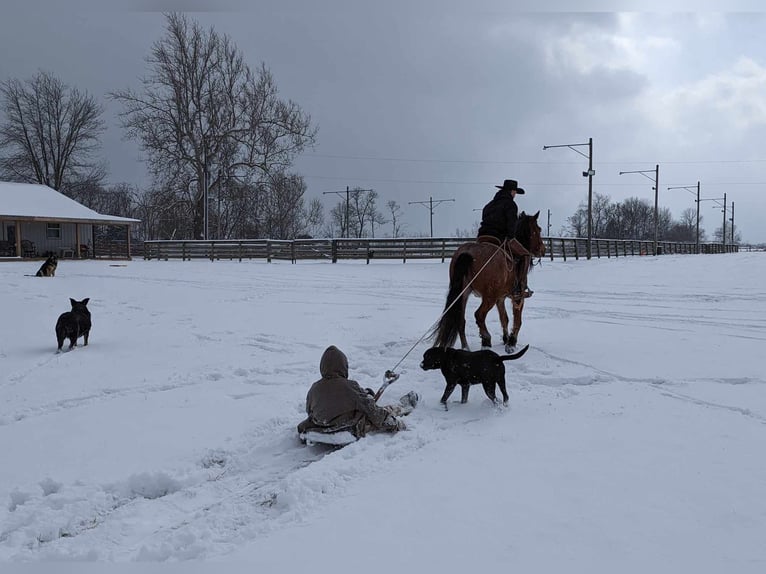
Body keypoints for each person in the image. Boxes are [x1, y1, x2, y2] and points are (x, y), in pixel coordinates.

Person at [297, 345, 418, 442]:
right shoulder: (350, 386)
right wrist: (395, 424)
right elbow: (373, 412)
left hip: (320, 428)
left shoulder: (314, 388)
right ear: (343, 366)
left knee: (363, 400)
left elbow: (310, 411)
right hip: (347, 428)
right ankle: (402, 407)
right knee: (376, 411)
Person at [477, 179, 533, 298]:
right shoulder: (511, 205)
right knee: (525, 255)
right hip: (499, 238)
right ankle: (519, 288)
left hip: (482, 237)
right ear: (512, 191)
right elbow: (511, 227)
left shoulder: (489, 205)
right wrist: (510, 236)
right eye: (515, 192)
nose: (515, 195)